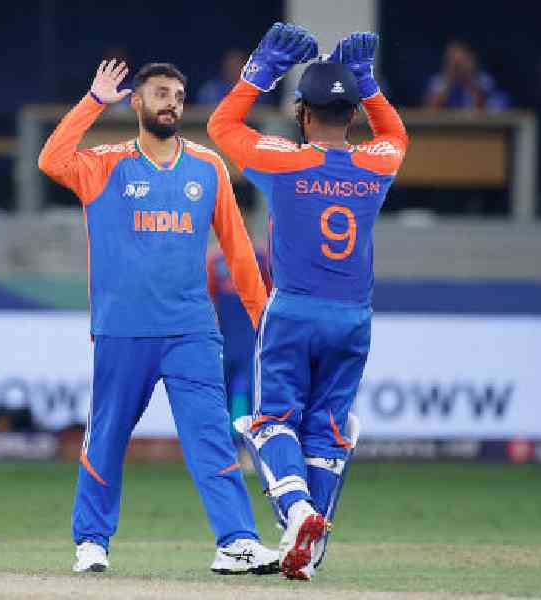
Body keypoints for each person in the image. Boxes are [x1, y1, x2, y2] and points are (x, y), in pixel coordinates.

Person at [38, 59, 279, 575]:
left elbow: (237, 248)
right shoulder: (104, 165)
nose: (171, 101)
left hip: (193, 328)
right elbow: (51, 160)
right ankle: (92, 541)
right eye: (160, 92)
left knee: (211, 435)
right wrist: (93, 100)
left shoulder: (207, 166)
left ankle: (236, 541)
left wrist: (264, 319)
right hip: (123, 329)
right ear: (137, 103)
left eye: (177, 93)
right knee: (107, 434)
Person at [208, 24, 408, 580]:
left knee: (271, 421)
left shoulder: (282, 161)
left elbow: (222, 125)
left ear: (303, 115)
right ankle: (309, 552)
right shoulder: (378, 164)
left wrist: (261, 69)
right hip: (354, 318)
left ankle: (298, 514)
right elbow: (397, 134)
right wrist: (368, 85)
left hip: (293, 311)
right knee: (327, 429)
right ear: (351, 117)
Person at [206, 228, 271, 449]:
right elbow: (209, 295)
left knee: (253, 395)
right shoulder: (215, 258)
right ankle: (223, 448)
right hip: (224, 335)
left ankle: (252, 448)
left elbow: (270, 294)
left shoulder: (261, 255)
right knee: (220, 392)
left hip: (251, 336)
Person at [423, 40, 509, 111]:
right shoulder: (438, 81)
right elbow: (429, 109)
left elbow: (484, 107)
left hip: (477, 126)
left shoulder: (483, 80)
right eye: (452, 61)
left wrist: (468, 78)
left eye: (460, 61)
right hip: (445, 128)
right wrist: (449, 80)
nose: (457, 66)